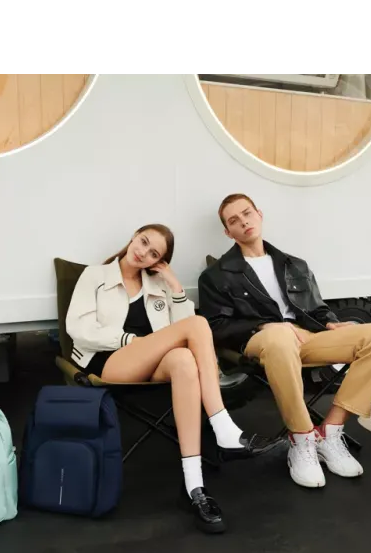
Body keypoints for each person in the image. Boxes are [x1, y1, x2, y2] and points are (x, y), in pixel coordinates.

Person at [66, 223, 281, 534]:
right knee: (197, 325)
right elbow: (78, 328)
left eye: (154, 253)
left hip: (151, 363)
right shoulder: (95, 275)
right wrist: (129, 341)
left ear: (159, 261)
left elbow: (183, 333)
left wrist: (175, 287)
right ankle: (223, 426)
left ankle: (195, 488)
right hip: (108, 364)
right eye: (143, 242)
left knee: (183, 360)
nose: (143, 253)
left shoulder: (157, 284)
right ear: (133, 237)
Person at [198, 195, 371, 489]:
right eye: (234, 221)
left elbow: (315, 308)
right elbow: (216, 327)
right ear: (228, 232)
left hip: (304, 338)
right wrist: (264, 325)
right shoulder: (216, 276)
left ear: (259, 214)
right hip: (260, 340)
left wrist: (329, 322)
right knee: (280, 335)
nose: (243, 222)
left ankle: (330, 432)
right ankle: (301, 438)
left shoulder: (294, 265)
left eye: (247, 213)